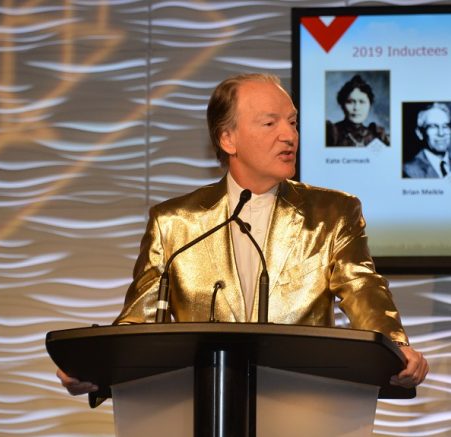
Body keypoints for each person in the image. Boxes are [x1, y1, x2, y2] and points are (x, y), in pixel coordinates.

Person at [57, 73, 428, 397]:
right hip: (200, 402)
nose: (289, 135)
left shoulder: (333, 213)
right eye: (270, 124)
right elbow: (138, 321)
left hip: (305, 403)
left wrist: (395, 346)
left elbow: (363, 287)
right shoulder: (174, 222)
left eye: (293, 123)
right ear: (228, 139)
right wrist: (96, 368)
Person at [403, 102, 451, 178]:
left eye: (445, 126)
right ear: (419, 133)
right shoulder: (408, 171)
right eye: (433, 127)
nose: (441, 133)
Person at [326, 74, 390, 147]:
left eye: (362, 102)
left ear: (369, 105)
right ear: (342, 104)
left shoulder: (376, 135)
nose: (356, 108)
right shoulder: (332, 134)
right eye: (350, 102)